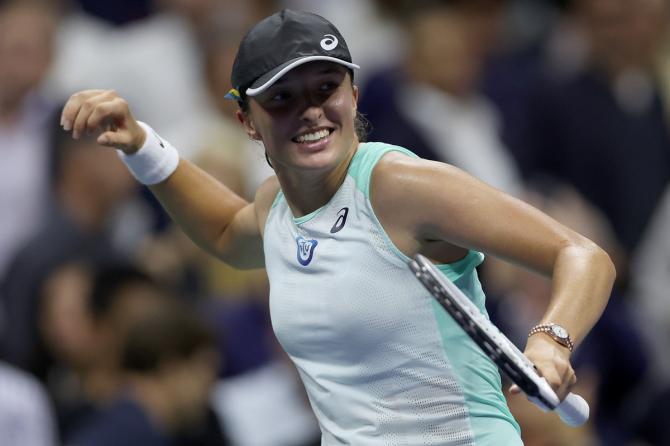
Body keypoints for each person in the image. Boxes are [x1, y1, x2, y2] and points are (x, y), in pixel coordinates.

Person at [60, 9, 616, 445]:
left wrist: (552, 342)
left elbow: (582, 254)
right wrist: (139, 144)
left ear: (352, 92)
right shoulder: (276, 206)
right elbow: (228, 233)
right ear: (246, 121)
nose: (310, 111)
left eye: (325, 89)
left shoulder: (400, 185)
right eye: (282, 98)